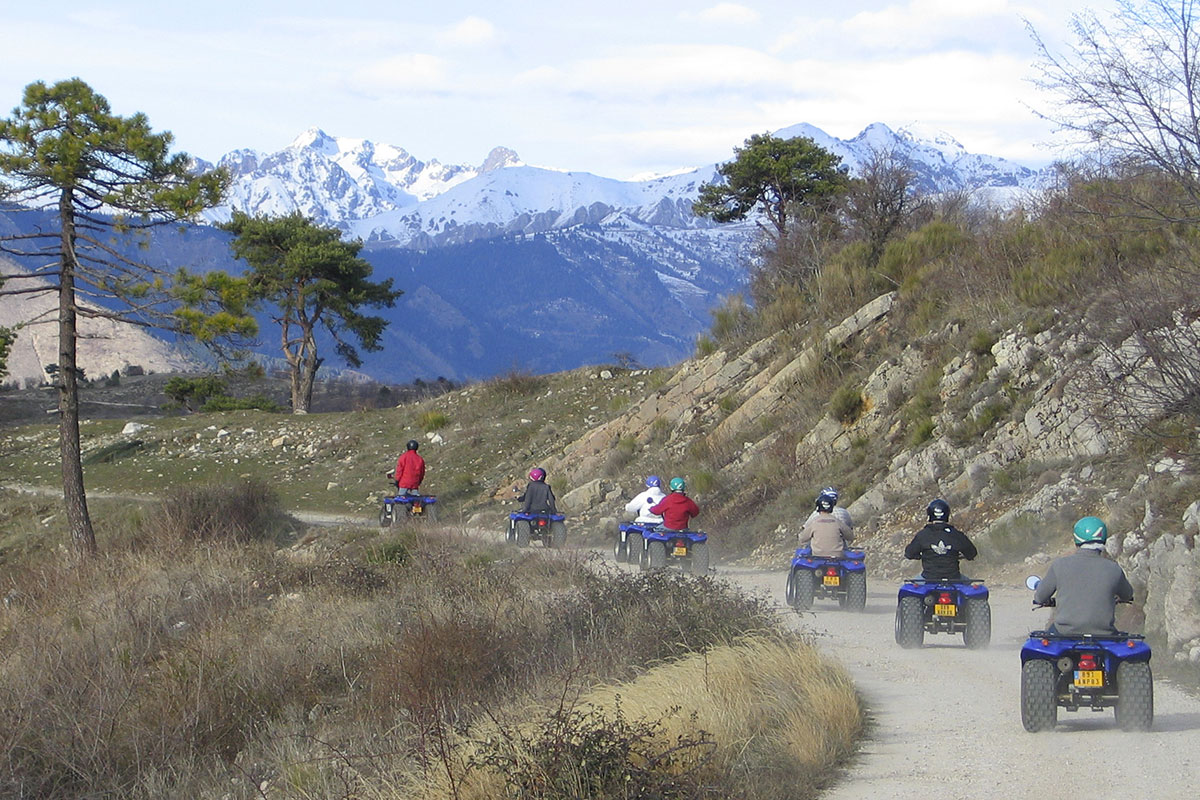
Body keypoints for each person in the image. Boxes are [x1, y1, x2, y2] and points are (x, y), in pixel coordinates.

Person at [1033, 516, 1134, 636]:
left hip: (1065, 631)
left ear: (1077, 538)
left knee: (1046, 643)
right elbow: (1128, 595)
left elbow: (1040, 597)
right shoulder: (1114, 569)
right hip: (1104, 634)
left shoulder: (1060, 565)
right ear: (1103, 538)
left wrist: (1047, 601)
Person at [903, 498, 977, 581]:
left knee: (911, 587)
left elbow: (909, 553)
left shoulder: (923, 535)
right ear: (947, 514)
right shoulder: (957, 534)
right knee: (970, 585)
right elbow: (972, 553)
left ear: (930, 514)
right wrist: (964, 556)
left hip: (928, 578)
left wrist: (918, 556)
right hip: (953, 578)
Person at [798, 488, 854, 558]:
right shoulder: (841, 516)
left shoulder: (815, 519)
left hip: (817, 555)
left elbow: (802, 537)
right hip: (837, 555)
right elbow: (850, 535)